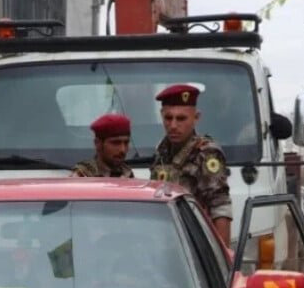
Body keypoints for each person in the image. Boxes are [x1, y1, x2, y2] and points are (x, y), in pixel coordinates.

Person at [149, 84, 232, 244]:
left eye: (181, 118)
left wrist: (223, 259)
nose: (173, 125)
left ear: (196, 117)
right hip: (165, 239)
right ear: (161, 115)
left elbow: (220, 207)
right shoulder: (162, 150)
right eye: (168, 118)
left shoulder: (206, 153)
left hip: (195, 244)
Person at [70, 113, 135, 178]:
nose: (122, 150)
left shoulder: (127, 173)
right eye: (116, 143)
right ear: (98, 143)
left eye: (126, 143)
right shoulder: (83, 176)